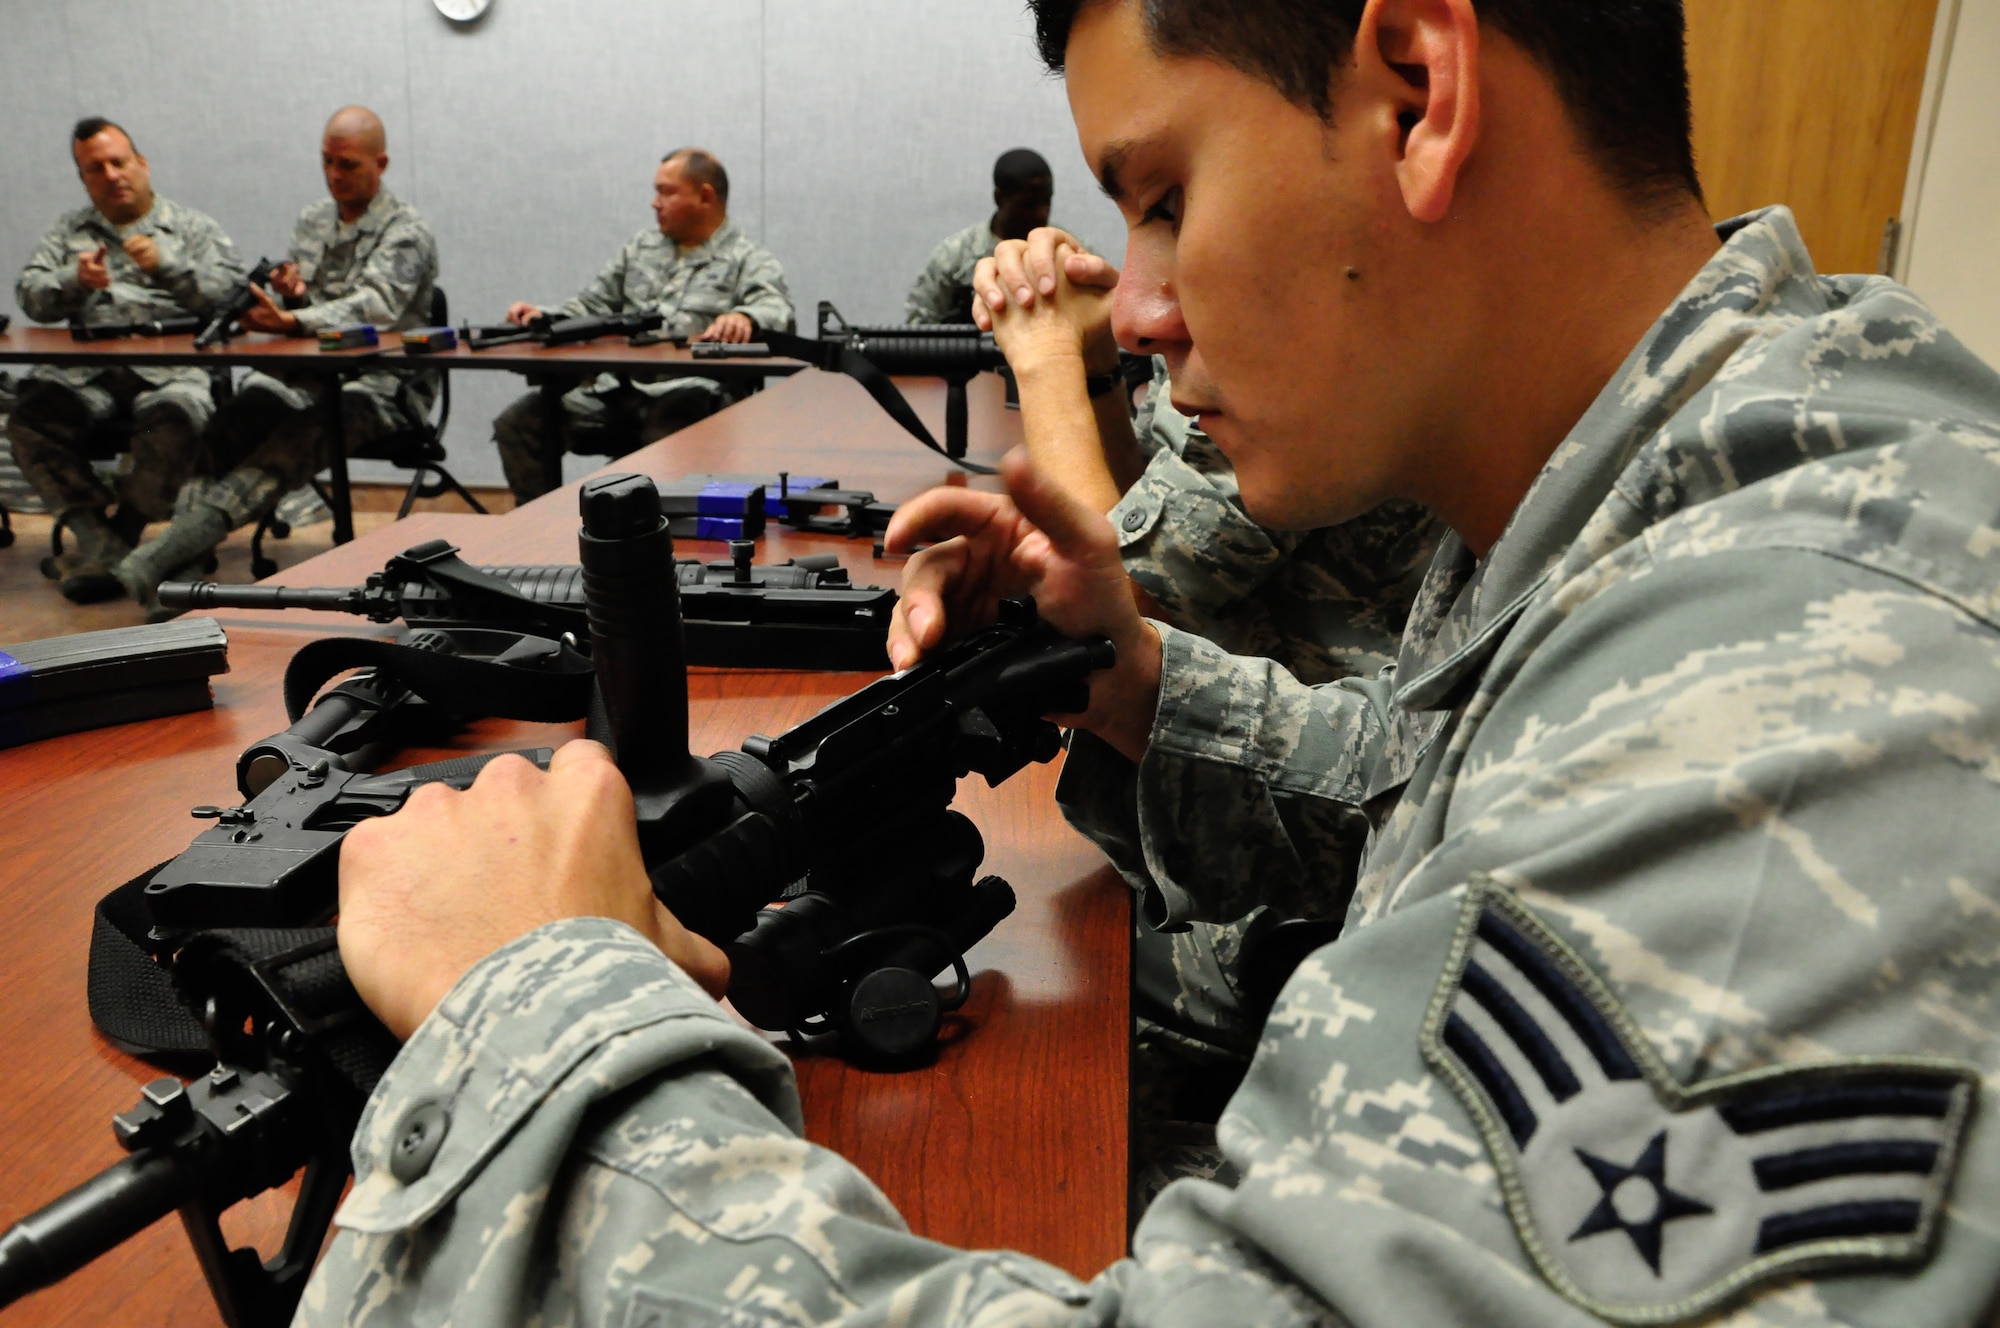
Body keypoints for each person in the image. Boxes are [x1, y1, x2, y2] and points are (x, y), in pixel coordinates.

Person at [308, 1, 2000, 1324]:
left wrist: (531, 1022)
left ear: (1419, 91)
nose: (1137, 310)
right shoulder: (1679, 478)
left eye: (1169, 196)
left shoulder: (1813, 671)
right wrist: (1132, 674)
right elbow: (1443, 808)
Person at [112, 106, 439, 607]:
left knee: (303, 431)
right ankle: (187, 574)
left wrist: (292, 320)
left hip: (385, 389)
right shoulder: (313, 220)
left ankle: (162, 558)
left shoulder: (407, 231)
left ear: (382, 163)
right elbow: (315, 314)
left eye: (348, 164)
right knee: (233, 419)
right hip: (310, 374)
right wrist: (293, 298)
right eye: (326, 161)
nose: (334, 174)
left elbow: (376, 309)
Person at [8, 118, 245, 602]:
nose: (112, 175)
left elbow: (233, 299)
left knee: (176, 419)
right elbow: (30, 297)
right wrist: (73, 281)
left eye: (120, 162)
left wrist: (168, 268)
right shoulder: (70, 232)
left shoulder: (191, 228)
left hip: (171, 370)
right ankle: (99, 540)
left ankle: (122, 536)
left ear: (142, 164)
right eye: (96, 168)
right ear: (84, 179)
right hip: (86, 372)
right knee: (29, 422)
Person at [489, 148, 794, 504]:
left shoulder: (748, 258)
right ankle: (543, 537)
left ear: (705, 196)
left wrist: (745, 317)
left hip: (690, 395)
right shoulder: (640, 248)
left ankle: (652, 544)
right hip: (616, 390)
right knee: (520, 423)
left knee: (670, 428)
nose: (655, 203)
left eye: (666, 192)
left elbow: (777, 310)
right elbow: (593, 304)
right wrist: (544, 315)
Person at [905, 148, 1075, 324]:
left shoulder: (1068, 252)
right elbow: (919, 327)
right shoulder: (954, 258)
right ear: (999, 198)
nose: (1041, 213)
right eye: (1028, 204)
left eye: (1046, 202)